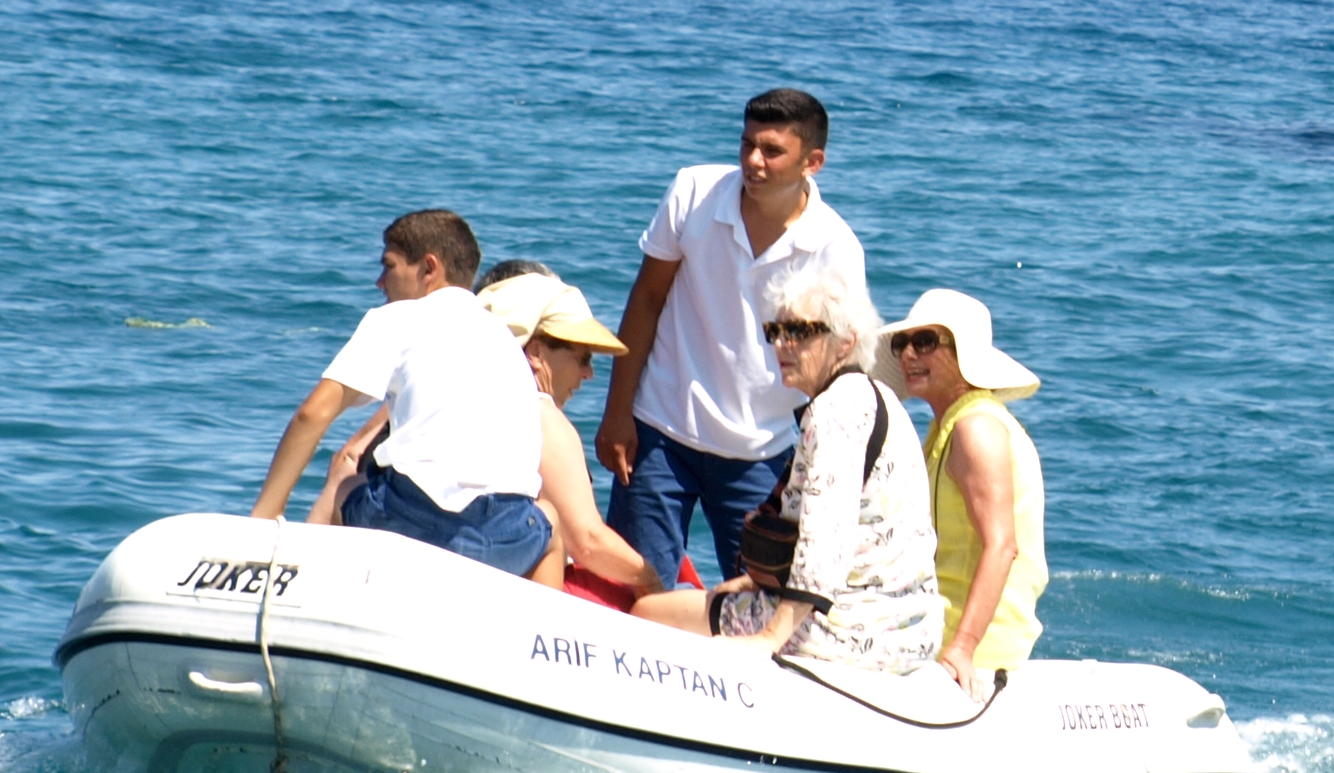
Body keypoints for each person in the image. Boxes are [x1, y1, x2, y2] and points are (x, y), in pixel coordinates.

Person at [593, 89, 870, 593]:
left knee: (760, 601)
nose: (752, 161)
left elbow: (837, 367)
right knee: (631, 591)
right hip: (660, 430)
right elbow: (647, 299)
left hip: (762, 450)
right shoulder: (693, 190)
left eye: (771, 150)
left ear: (814, 162)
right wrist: (617, 412)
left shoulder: (836, 248)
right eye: (746, 145)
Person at [634, 263, 935, 671]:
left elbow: (825, 540)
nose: (782, 345)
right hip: (913, 631)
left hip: (843, 631)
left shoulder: (832, 413)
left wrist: (770, 637)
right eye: (775, 332)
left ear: (845, 343)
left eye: (800, 332)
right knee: (718, 595)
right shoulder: (884, 402)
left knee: (648, 611)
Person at [250, 210, 549, 577]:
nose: (379, 282)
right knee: (550, 528)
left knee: (346, 487)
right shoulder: (503, 339)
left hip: (418, 526)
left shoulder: (399, 318)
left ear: (428, 268)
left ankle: (301, 586)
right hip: (507, 535)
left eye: (388, 266)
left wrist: (263, 517)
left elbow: (313, 414)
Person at [878, 290, 1047, 697]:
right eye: (903, 344)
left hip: (972, 644)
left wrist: (964, 649)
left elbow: (1002, 545)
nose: (908, 356)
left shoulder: (976, 430)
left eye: (925, 343)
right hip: (935, 624)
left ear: (963, 354)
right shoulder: (948, 427)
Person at [477, 270, 656, 606]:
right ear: (536, 351)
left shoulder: (467, 400)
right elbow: (587, 540)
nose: (588, 374)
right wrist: (651, 578)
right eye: (582, 358)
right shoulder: (541, 415)